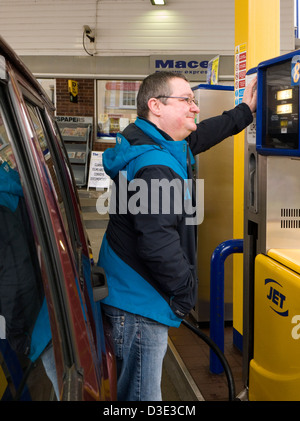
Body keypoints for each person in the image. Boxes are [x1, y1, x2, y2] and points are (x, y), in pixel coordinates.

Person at [98, 71, 257, 401]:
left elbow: (199, 138)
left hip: (126, 287)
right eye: (186, 100)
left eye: (194, 101)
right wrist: (185, 292)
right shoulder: (156, 166)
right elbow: (157, 245)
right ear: (156, 106)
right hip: (140, 303)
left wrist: (246, 110)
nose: (194, 108)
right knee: (142, 398)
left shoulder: (149, 141)